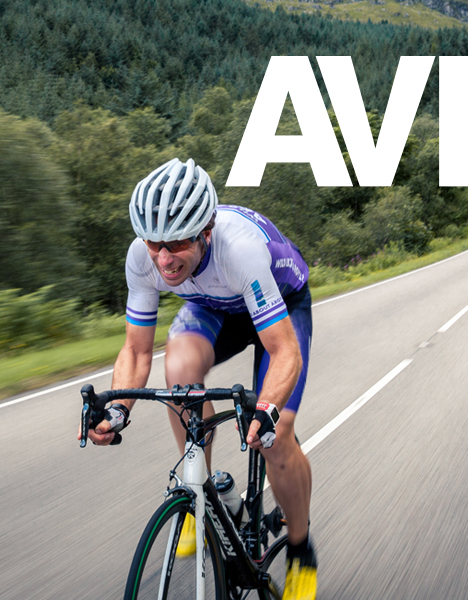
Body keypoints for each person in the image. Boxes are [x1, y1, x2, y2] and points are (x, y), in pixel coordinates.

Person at [83, 157, 317, 599]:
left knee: (275, 435)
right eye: (154, 244)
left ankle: (302, 549)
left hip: (277, 302)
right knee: (178, 371)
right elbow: (135, 350)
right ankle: (200, 497)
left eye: (176, 245)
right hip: (215, 304)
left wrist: (267, 412)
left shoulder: (239, 249)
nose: (164, 259)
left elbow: (284, 351)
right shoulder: (143, 257)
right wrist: (117, 409)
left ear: (206, 231)